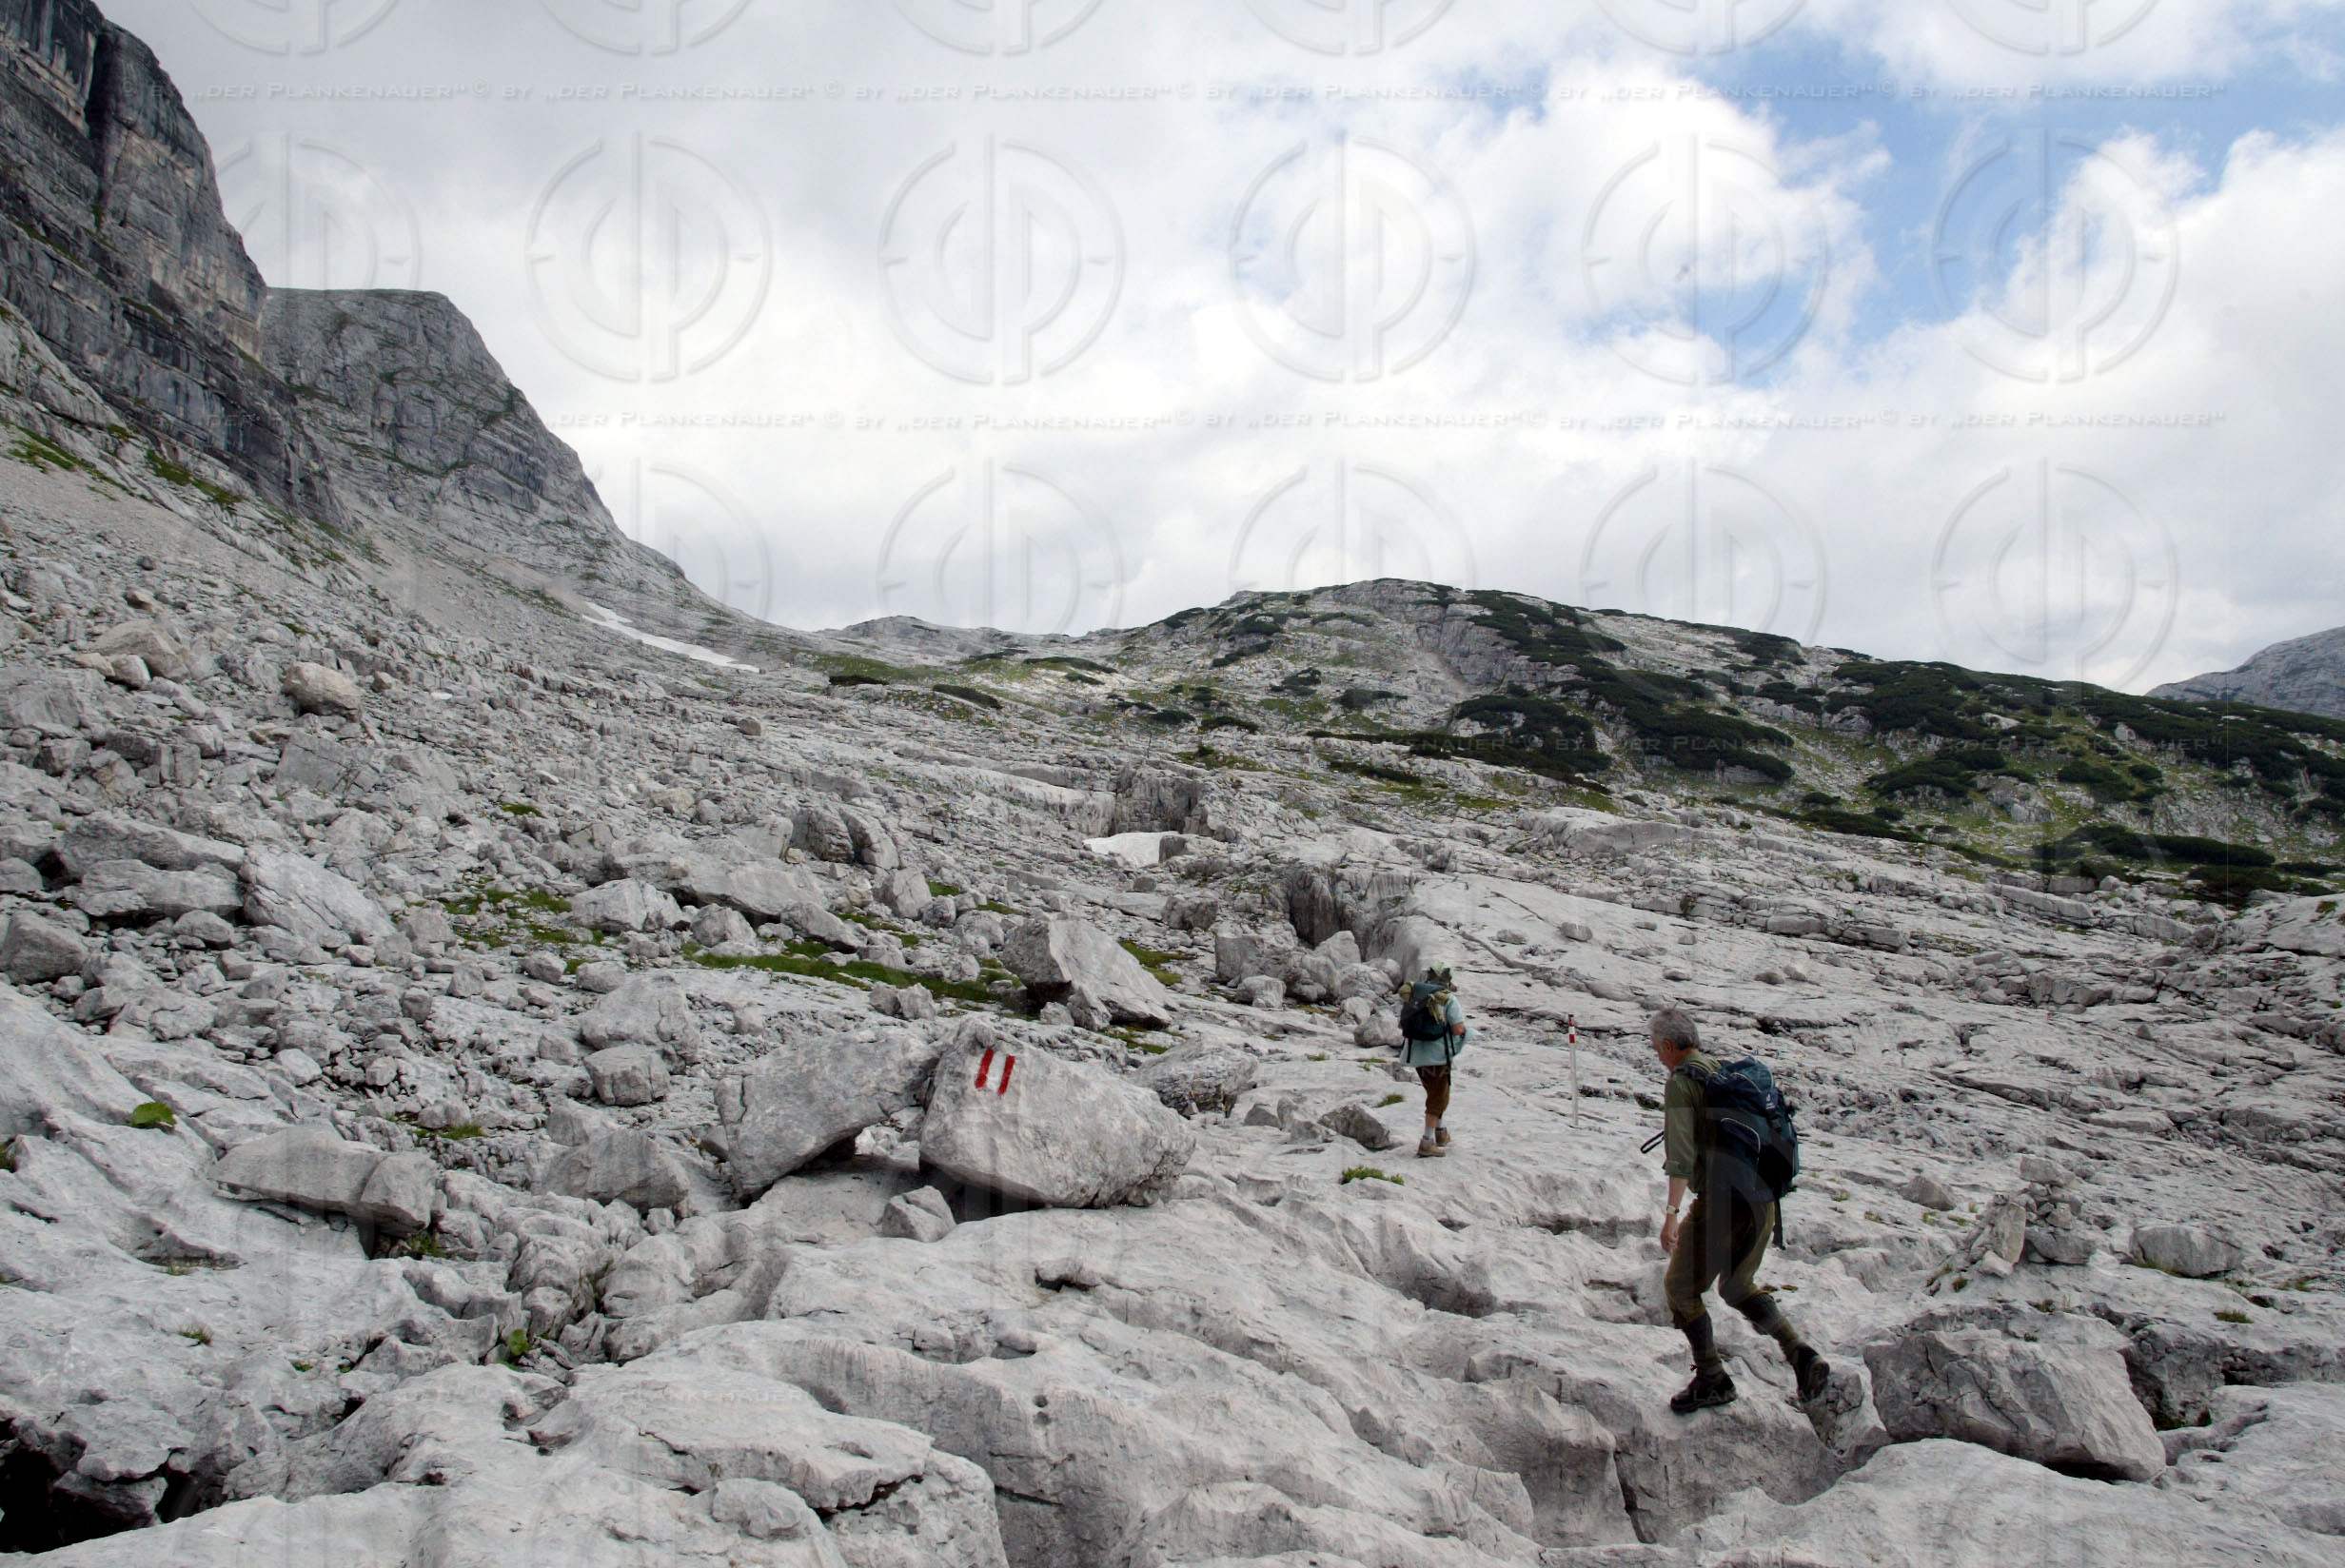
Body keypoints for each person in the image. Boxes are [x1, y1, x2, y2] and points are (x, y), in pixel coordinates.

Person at [1650, 1006, 1829, 1414]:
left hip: (1723, 1204)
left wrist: (1672, 1213)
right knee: (1735, 1286)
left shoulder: (1681, 1082)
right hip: (1763, 1199)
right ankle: (1801, 1355)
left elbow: (1679, 1155)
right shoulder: (1720, 1070)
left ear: (1667, 1045)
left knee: (1680, 1288)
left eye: (1656, 1048)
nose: (1656, 1056)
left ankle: (1712, 1377)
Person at [1398, 963, 1468, 1158]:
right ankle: (1427, 1142)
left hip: (1417, 1057)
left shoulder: (1416, 995)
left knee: (1435, 1092)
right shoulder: (1448, 999)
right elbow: (1458, 1029)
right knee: (1438, 1097)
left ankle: (1441, 1132)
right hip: (1437, 1056)